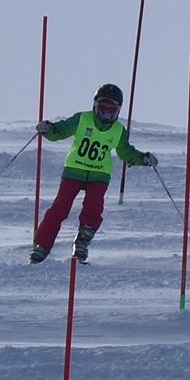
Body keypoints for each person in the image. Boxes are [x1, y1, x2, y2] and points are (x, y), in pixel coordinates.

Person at [31, 84, 157, 264]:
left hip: (99, 174)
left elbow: (125, 152)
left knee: (93, 209)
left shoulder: (118, 130)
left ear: (118, 111)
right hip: (74, 170)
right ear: (95, 106)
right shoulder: (82, 119)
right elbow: (60, 130)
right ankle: (42, 247)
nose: (106, 114)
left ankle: (81, 244)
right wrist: (48, 129)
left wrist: (142, 159)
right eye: (102, 109)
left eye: (111, 110)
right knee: (59, 208)